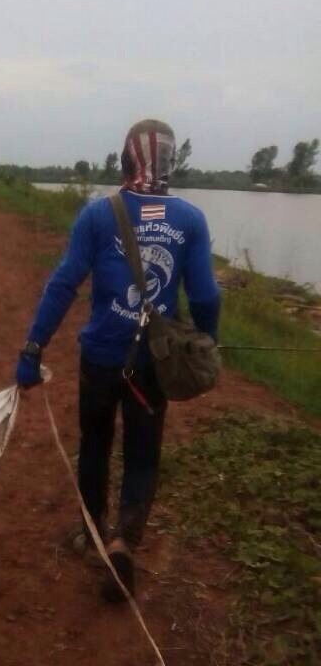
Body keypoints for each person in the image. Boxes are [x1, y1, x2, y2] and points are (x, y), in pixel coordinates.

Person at [14, 118, 220, 601]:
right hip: (154, 363)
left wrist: (33, 346)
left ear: (126, 158)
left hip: (101, 359)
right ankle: (125, 540)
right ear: (172, 160)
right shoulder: (190, 220)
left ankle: (92, 534)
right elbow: (206, 296)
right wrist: (207, 339)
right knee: (143, 454)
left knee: (96, 443)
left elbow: (64, 284)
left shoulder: (97, 215)